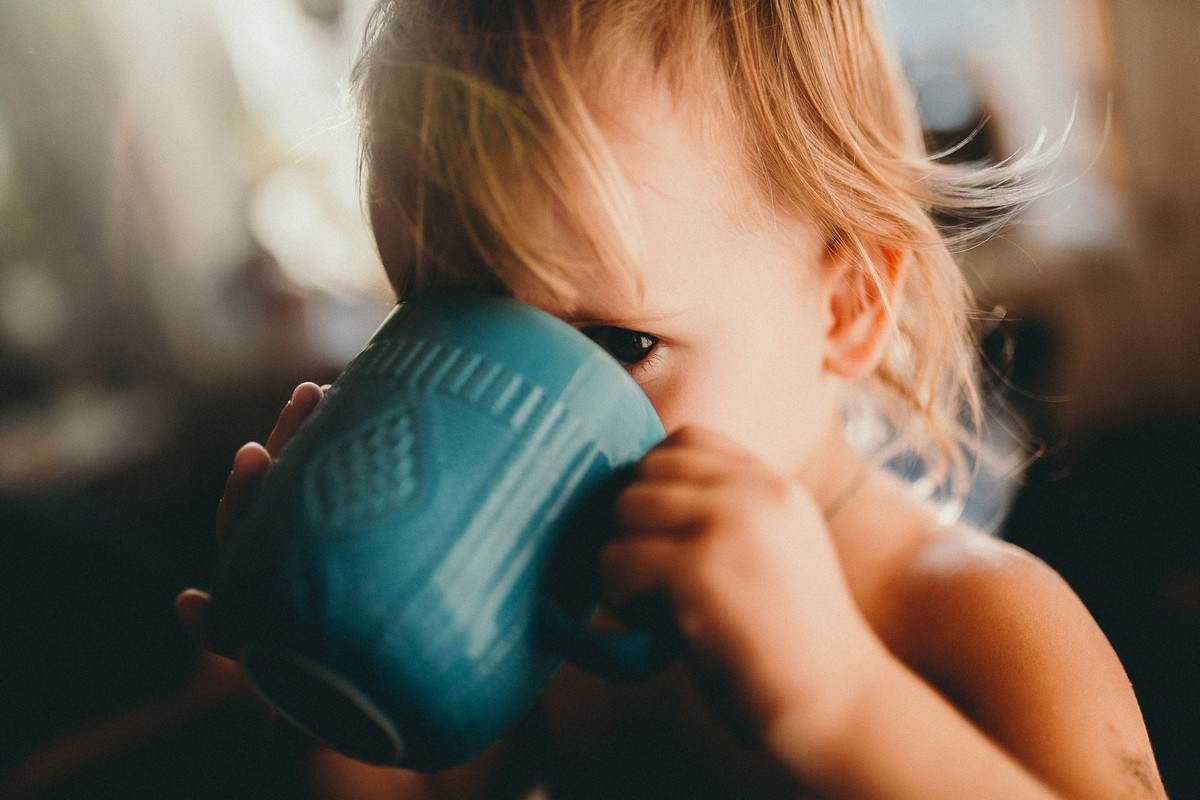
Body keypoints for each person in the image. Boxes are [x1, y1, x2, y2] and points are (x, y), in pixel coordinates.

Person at [177, 1, 1166, 797]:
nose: (511, 405)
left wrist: (837, 697)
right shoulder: (542, 612)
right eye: (446, 321)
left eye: (620, 344)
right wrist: (320, 664)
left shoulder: (980, 620)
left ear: (849, 306)